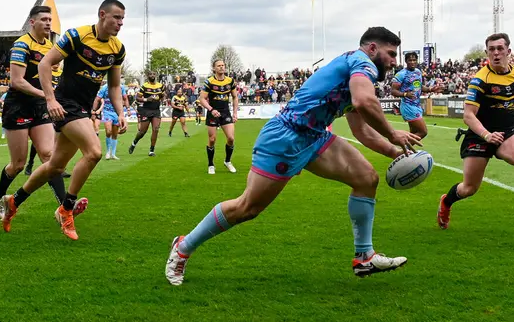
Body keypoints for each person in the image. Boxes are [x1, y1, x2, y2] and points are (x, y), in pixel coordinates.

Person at [165, 27, 422, 286]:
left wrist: (397, 152)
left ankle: (364, 256)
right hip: (286, 137)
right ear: (372, 49)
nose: (394, 61)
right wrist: (393, 134)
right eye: (391, 54)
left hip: (314, 136)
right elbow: (364, 103)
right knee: (247, 208)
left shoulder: (357, 74)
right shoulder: (361, 63)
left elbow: (361, 131)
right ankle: (183, 247)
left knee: (366, 178)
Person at [0, 0, 127, 240]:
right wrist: (50, 99)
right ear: (102, 15)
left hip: (81, 108)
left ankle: (13, 202)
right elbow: (45, 64)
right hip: (65, 105)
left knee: (55, 166)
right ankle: (66, 208)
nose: (120, 23)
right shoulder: (76, 36)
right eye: (116, 17)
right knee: (94, 152)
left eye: (122, 19)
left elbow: (115, 86)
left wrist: (121, 112)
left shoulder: (117, 49)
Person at [437, 33, 514, 240]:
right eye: (491, 49)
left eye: (500, 48)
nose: (496, 53)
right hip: (479, 135)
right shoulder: (480, 80)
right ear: (487, 53)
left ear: (509, 51)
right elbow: (468, 116)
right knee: (469, 188)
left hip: (508, 132)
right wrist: (486, 134)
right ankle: (446, 202)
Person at [0, 6, 86, 221]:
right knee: (17, 165)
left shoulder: (52, 48)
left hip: (40, 107)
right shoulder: (22, 44)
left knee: (49, 156)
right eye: (43, 19)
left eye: (50, 19)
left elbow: (56, 77)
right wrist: (46, 95)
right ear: (32, 22)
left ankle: (64, 209)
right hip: (18, 107)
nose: (48, 23)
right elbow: (16, 81)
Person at [25, 63, 71, 178]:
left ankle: (59, 166)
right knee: (41, 140)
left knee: (58, 138)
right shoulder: (43, 71)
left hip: (59, 107)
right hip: (44, 107)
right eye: (54, 61)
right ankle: (30, 163)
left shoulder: (63, 74)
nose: (56, 64)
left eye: (58, 62)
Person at [200, 60, 239, 174]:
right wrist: (211, 110)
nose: (222, 67)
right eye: (219, 66)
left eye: (223, 65)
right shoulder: (209, 82)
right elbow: (202, 99)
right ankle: (211, 164)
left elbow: (235, 97)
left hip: (225, 112)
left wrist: (235, 113)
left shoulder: (230, 81)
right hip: (213, 113)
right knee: (212, 140)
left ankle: (227, 161)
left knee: (231, 138)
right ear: (214, 69)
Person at [391, 52, 441, 139]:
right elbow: (393, 91)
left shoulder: (418, 72)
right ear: (406, 61)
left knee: (413, 133)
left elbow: (419, 87)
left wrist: (431, 89)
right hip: (408, 106)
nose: (413, 62)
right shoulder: (401, 74)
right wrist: (405, 94)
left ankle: (407, 151)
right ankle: (403, 150)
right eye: (410, 60)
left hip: (416, 105)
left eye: (414, 60)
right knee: (423, 132)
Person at [128, 71, 164, 157]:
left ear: (156, 75)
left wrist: (160, 99)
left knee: (156, 129)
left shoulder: (160, 86)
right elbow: (138, 98)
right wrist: (147, 99)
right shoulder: (144, 86)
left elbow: (162, 95)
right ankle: (134, 143)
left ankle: (151, 150)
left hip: (156, 110)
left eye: (154, 74)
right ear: (148, 76)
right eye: (150, 74)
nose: (152, 75)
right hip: (146, 110)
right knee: (142, 132)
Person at [93, 82, 130, 160]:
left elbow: (125, 98)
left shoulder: (121, 87)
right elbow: (97, 99)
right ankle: (108, 151)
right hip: (107, 112)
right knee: (108, 131)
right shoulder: (105, 87)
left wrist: (128, 109)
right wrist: (93, 110)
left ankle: (113, 154)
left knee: (115, 133)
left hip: (117, 112)